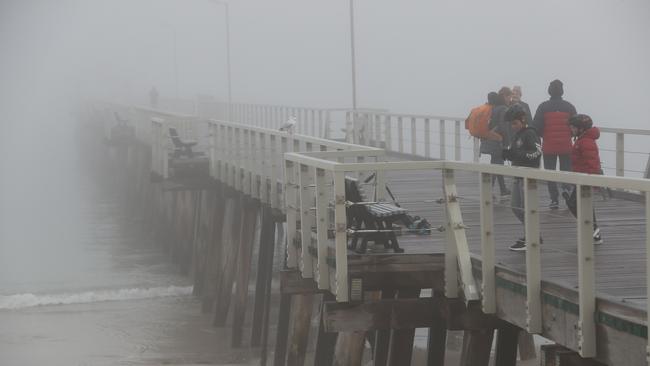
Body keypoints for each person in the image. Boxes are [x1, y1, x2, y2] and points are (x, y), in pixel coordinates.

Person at [501, 104, 542, 251]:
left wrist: (520, 155)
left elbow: (537, 152)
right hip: (518, 175)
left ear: (523, 120)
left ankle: (532, 236)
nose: (513, 127)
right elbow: (517, 151)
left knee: (526, 208)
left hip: (528, 175)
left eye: (515, 123)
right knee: (516, 207)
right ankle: (532, 234)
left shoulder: (530, 133)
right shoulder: (517, 135)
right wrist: (509, 153)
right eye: (511, 124)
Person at [533, 79, 577, 209]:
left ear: (549, 91)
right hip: (565, 145)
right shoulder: (569, 107)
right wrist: (571, 135)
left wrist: (544, 135)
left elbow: (536, 126)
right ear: (562, 91)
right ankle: (567, 190)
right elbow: (576, 126)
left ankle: (554, 199)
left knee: (550, 172)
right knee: (566, 171)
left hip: (549, 145)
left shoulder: (543, 106)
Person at [562, 114, 603, 244]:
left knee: (574, 204)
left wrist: (593, 182)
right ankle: (594, 232)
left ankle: (593, 230)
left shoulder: (585, 141)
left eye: (573, 127)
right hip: (582, 178)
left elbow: (592, 162)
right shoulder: (582, 139)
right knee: (586, 205)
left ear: (581, 128)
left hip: (586, 180)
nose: (571, 130)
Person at [479, 91, 510, 197]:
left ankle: (503, 189)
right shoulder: (503, 109)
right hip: (498, 141)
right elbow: (503, 126)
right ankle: (489, 190)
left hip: (489, 140)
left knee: (497, 163)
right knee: (497, 165)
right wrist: (506, 141)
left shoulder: (491, 109)